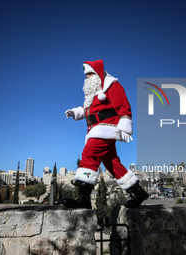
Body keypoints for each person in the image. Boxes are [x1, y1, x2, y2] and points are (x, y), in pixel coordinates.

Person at [60, 59, 149, 209]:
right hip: (96, 129)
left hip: (105, 128)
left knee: (89, 155)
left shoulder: (112, 85)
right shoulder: (93, 93)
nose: (87, 77)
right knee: (112, 163)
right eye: (86, 75)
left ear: (97, 73)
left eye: (89, 74)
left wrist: (126, 126)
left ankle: (83, 198)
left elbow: (123, 105)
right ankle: (138, 192)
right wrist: (74, 112)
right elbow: (86, 109)